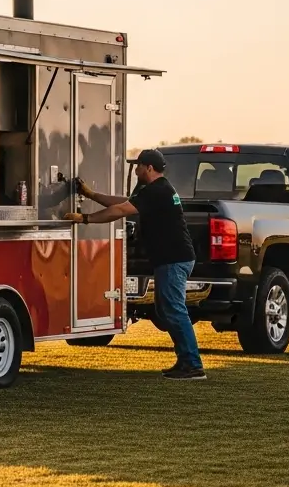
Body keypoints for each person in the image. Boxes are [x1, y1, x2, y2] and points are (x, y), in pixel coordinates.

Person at [65, 149, 206, 381]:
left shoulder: (157, 191)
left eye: (139, 165)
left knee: (174, 310)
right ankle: (185, 361)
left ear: (149, 168)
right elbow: (123, 202)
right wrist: (90, 195)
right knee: (167, 310)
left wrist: (85, 219)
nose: (137, 170)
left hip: (173, 259)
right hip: (173, 258)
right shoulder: (155, 190)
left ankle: (192, 364)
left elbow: (121, 210)